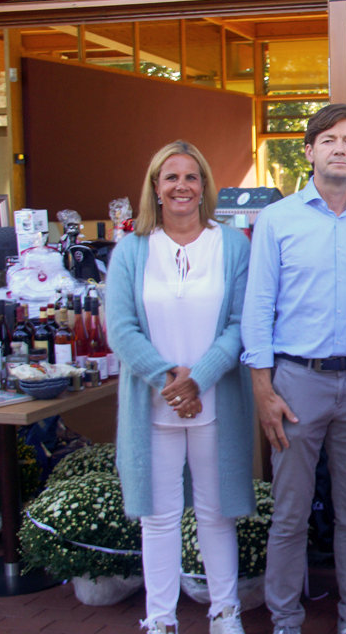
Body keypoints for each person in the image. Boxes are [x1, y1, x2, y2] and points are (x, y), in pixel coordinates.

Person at [241, 104, 346, 634]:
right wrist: (263, 389)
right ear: (308, 151)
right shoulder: (278, 220)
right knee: (290, 511)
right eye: (328, 139)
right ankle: (285, 616)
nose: (340, 148)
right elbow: (258, 307)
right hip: (295, 383)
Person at [108, 140, 254, 634]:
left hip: (215, 401)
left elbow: (241, 323)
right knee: (159, 516)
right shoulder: (132, 250)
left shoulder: (232, 245)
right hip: (154, 405)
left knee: (216, 513)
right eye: (171, 177)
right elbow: (121, 327)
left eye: (191, 177)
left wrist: (200, 378)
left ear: (205, 187)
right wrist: (169, 378)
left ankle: (225, 611)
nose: (182, 186)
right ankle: (161, 618)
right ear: (155, 186)